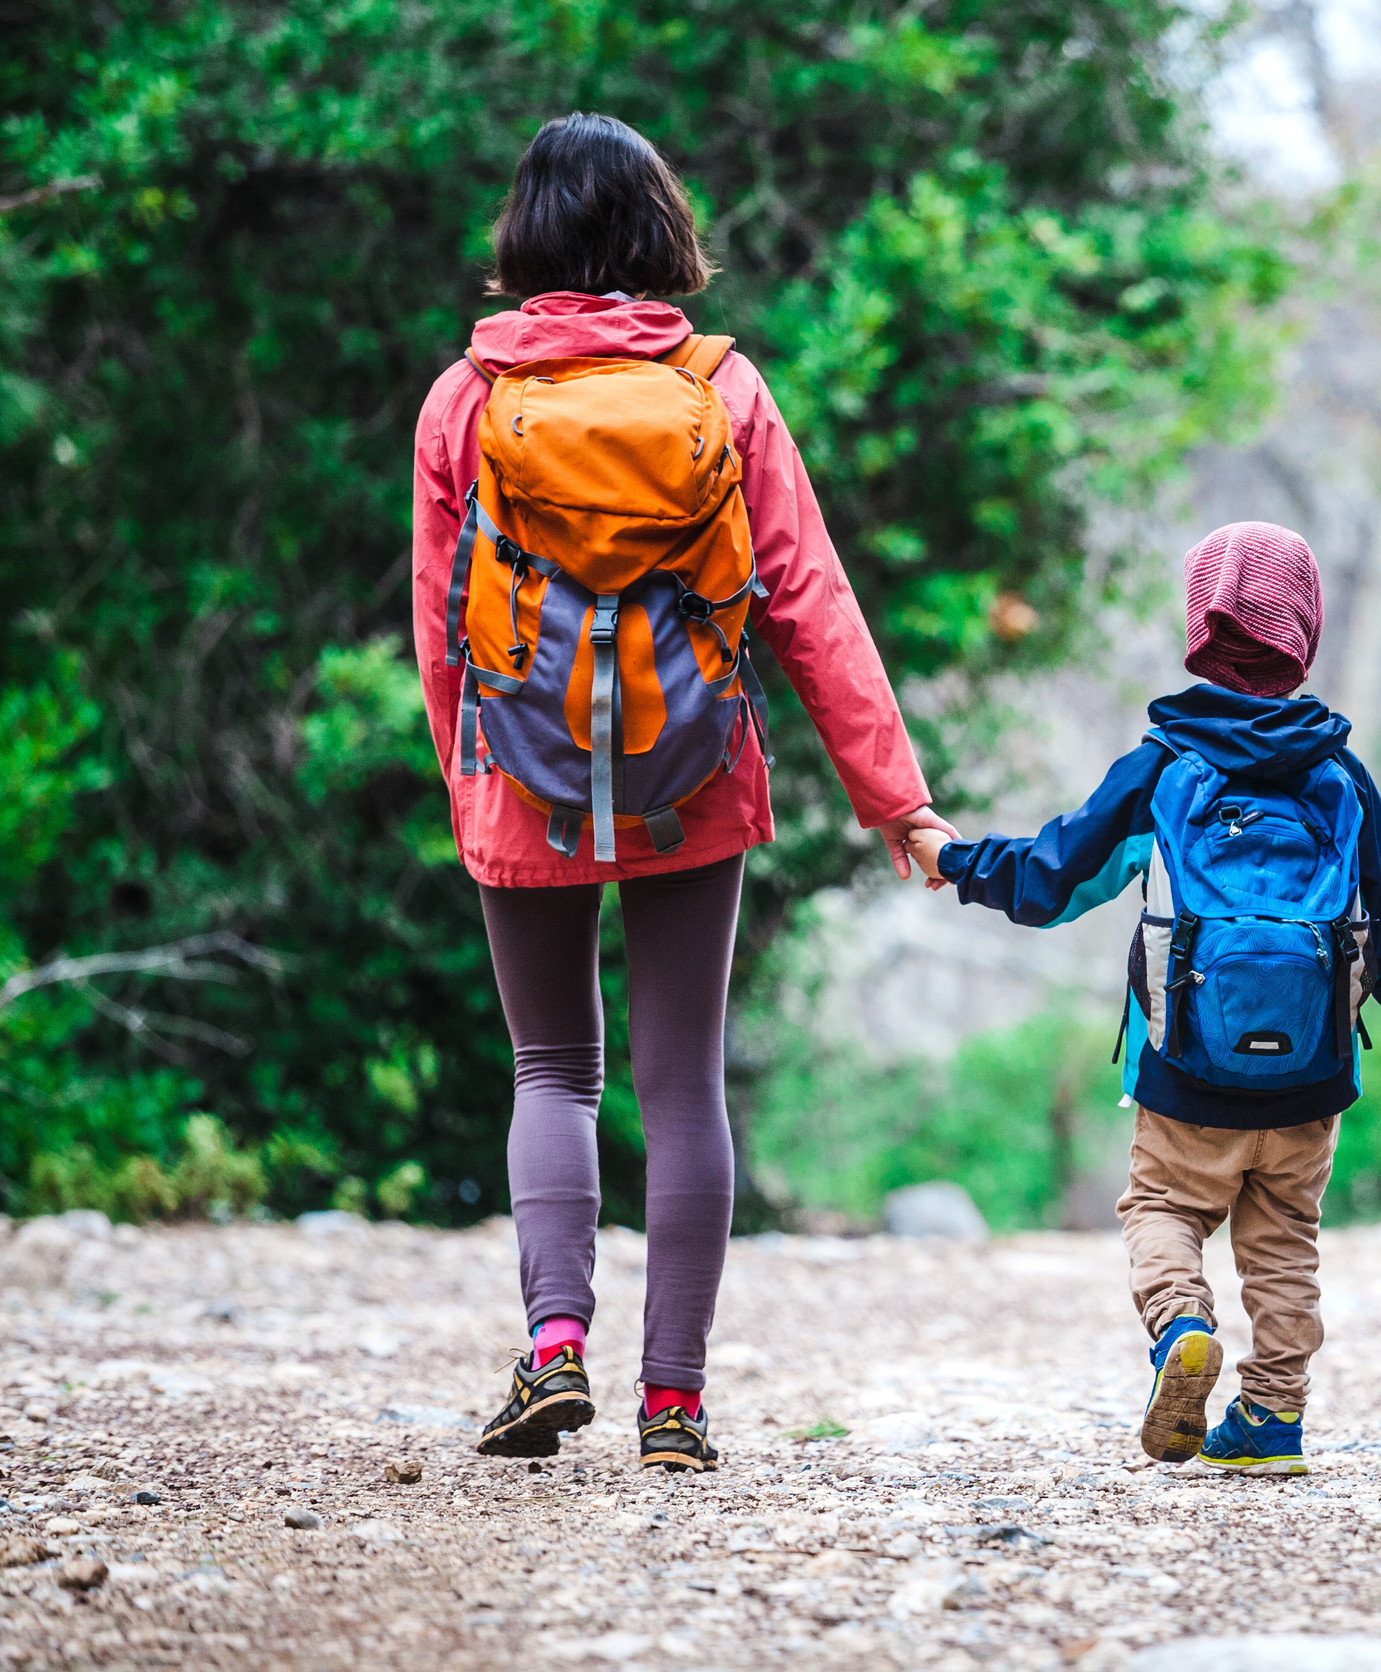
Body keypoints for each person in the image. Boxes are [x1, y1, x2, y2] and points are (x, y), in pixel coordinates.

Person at [410, 113, 953, 1472]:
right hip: (695, 772)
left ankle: (553, 1346)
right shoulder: (724, 389)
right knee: (683, 1082)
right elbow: (809, 602)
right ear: (662, 231)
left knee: (552, 1067)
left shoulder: (466, 400)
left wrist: (473, 776)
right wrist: (896, 797)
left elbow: (441, 625)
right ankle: (673, 1404)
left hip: (520, 771)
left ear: (525, 233)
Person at [906, 522, 1381, 1475]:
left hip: (1183, 1076)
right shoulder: (1340, 776)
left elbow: (1056, 876)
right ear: (1305, 633)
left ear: (1198, 629)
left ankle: (1182, 1326)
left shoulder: (1164, 768)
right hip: (1310, 1083)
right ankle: (1272, 1417)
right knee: (1284, 1243)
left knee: (1161, 1209)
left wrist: (957, 861)